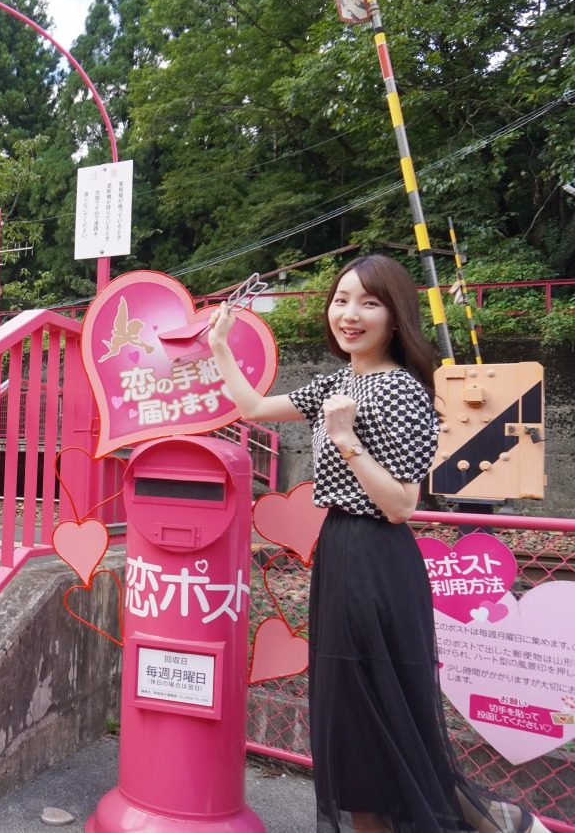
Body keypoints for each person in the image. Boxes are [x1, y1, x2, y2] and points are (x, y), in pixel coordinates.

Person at [207, 254, 549, 833]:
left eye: (369, 302)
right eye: (341, 300)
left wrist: (344, 439)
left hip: (377, 559)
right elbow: (256, 408)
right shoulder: (340, 380)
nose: (350, 314)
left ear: (395, 317)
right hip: (341, 550)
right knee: (358, 724)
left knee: (376, 719)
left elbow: (402, 505)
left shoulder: (403, 391)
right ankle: (500, 822)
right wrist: (220, 345)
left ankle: (497, 821)